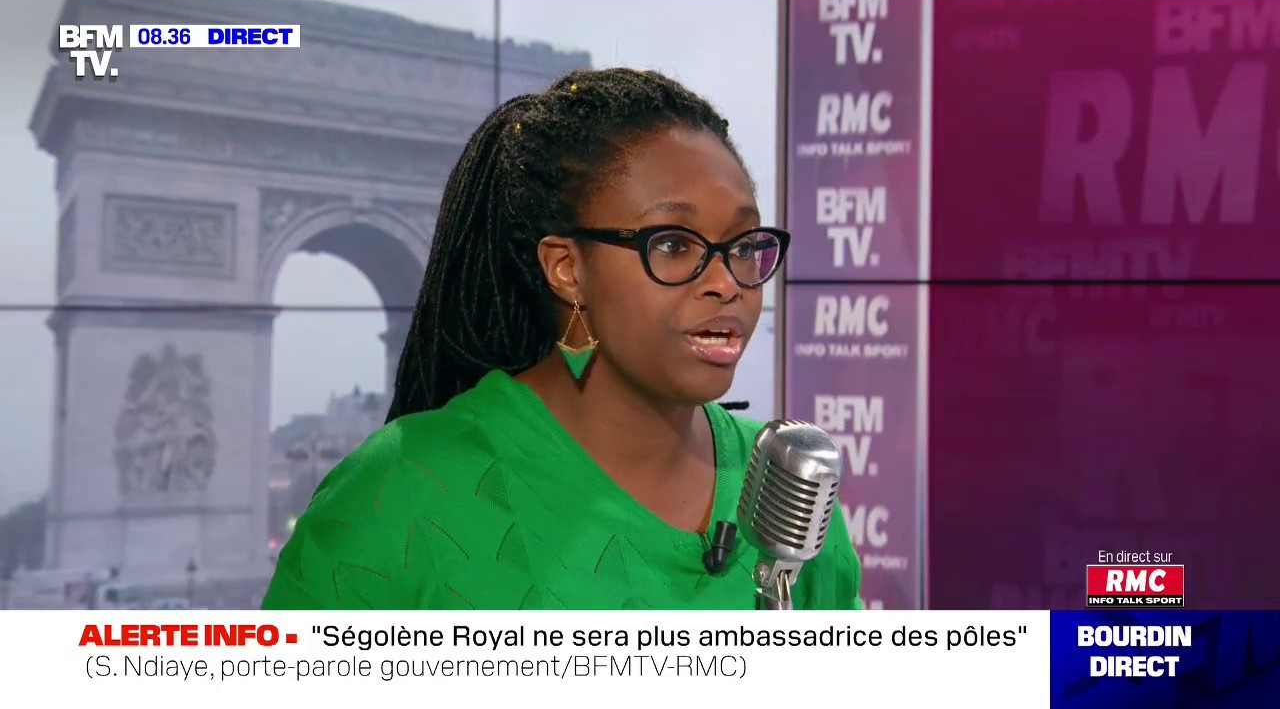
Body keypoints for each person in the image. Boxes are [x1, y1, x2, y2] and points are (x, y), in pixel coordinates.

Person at [261, 68, 862, 610]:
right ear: (567, 269)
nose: (727, 282)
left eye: (744, 246)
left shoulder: (790, 482)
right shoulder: (400, 493)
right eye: (674, 245)